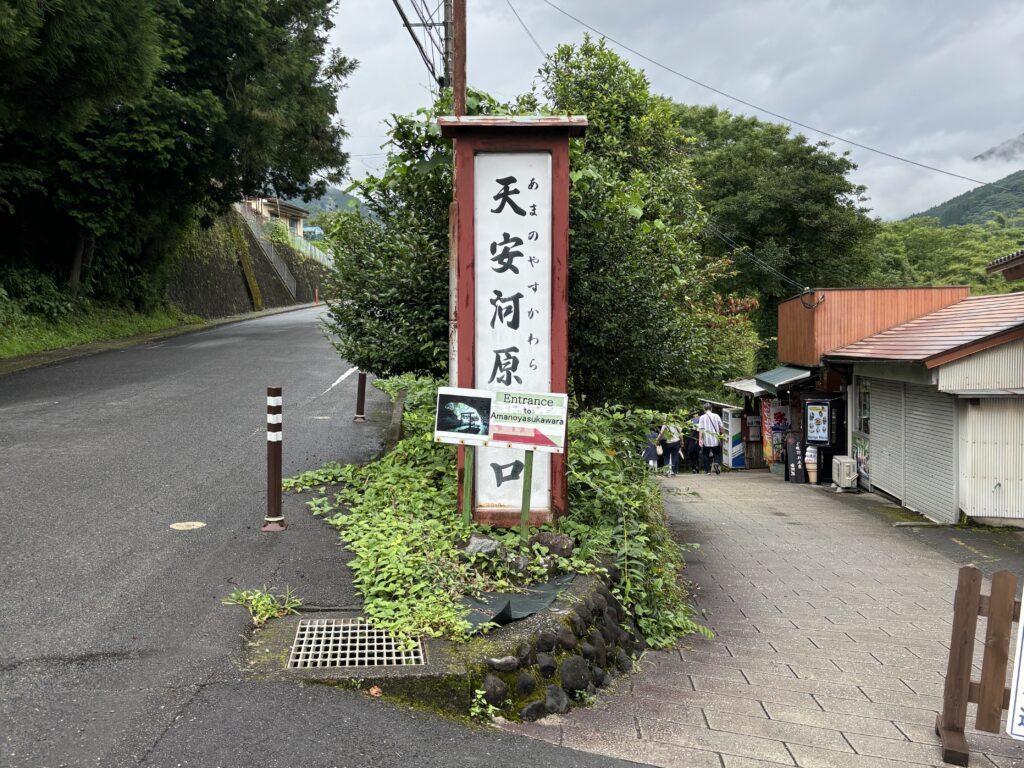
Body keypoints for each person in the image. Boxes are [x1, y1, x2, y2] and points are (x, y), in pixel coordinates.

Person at [697, 403, 725, 474]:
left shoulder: (702, 417)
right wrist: (723, 436)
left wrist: (700, 439)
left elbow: (701, 429)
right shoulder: (716, 416)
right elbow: (721, 427)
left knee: (705, 455)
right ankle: (716, 464)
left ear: (704, 409)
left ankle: (707, 471)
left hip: (706, 440)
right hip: (715, 439)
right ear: (711, 408)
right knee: (717, 454)